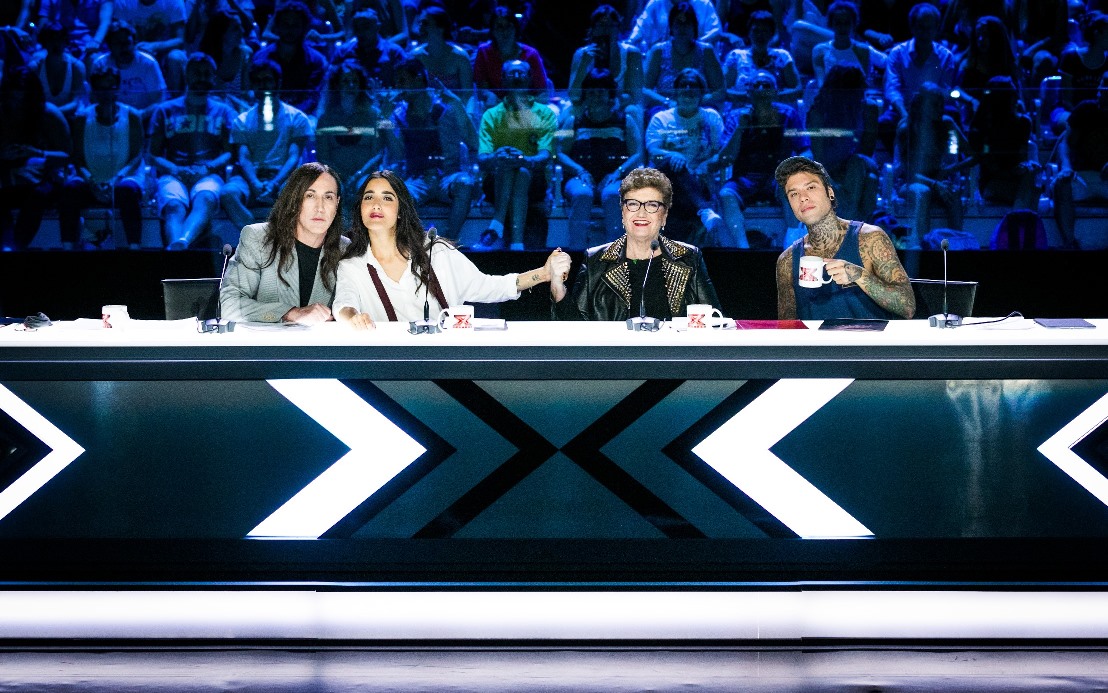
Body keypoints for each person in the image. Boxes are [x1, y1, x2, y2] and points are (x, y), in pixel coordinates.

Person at [334, 169, 571, 328]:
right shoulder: (352, 265)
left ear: (400, 211)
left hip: (443, 366)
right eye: (368, 197)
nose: (376, 204)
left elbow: (490, 286)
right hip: (389, 370)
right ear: (360, 208)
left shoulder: (435, 251)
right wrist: (353, 318)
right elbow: (343, 304)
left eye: (387, 198)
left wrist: (543, 274)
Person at [551, 167, 720, 322]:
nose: (641, 213)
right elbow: (576, 329)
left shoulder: (688, 258)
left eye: (652, 205)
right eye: (633, 204)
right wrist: (558, 290)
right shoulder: (596, 260)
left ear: (664, 215)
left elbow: (716, 321)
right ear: (623, 212)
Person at [774, 156, 915, 320]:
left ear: (830, 192)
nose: (802, 197)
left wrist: (860, 276)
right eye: (793, 194)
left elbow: (908, 307)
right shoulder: (787, 261)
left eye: (811, 187)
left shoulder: (870, 239)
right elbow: (787, 325)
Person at [220, 161, 352, 323]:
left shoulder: (345, 250)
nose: (320, 207)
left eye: (328, 197)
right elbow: (229, 305)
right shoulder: (258, 238)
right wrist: (290, 313)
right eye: (310, 196)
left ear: (337, 203)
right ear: (294, 201)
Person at [148, 52, 237, 249]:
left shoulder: (224, 111)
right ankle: (179, 247)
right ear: (186, 75)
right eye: (197, 73)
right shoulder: (165, 110)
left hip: (209, 173)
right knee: (173, 206)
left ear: (213, 77)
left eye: (207, 74)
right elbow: (152, 154)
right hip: (173, 173)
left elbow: (230, 152)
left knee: (205, 199)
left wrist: (208, 168)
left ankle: (181, 244)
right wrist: (175, 169)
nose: (201, 78)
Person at [220, 59, 314, 232]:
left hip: (285, 176)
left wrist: (275, 183)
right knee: (228, 194)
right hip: (249, 177)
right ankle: (254, 234)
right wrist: (254, 182)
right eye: (258, 81)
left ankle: (280, 239)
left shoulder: (297, 118)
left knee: (297, 194)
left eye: (268, 80)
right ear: (253, 85)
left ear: (278, 83)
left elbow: (294, 156)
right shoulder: (242, 120)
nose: (263, 85)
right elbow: (244, 157)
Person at [61, 63, 147, 250]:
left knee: (127, 190)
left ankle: (135, 248)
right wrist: (91, 181)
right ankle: (67, 248)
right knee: (70, 189)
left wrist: (117, 179)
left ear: (117, 88)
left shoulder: (132, 115)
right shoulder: (82, 118)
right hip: (91, 180)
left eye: (110, 87)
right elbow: (77, 157)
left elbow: (136, 156)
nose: (106, 93)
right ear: (94, 90)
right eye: (101, 88)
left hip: (124, 178)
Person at [392, 58, 477, 241]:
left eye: (402, 80)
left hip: (447, 176)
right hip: (417, 180)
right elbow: (396, 153)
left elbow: (474, 142)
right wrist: (384, 119)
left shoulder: (446, 107)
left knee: (465, 184)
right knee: (397, 194)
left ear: (418, 79)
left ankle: (449, 242)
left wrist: (457, 103)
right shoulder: (398, 114)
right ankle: (415, 245)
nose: (398, 86)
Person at [557, 68, 643, 248]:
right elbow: (560, 153)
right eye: (592, 92)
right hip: (580, 178)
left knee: (612, 194)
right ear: (586, 95)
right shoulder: (573, 121)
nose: (596, 97)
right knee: (582, 194)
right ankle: (577, 252)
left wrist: (618, 172)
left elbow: (637, 153)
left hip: (615, 178)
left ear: (609, 94)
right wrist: (579, 171)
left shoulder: (625, 120)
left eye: (601, 92)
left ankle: (615, 255)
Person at [476, 59, 557, 250]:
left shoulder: (545, 114)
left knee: (521, 171)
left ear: (530, 78)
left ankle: (496, 225)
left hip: (535, 182)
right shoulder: (491, 115)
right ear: (503, 79)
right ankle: (517, 244)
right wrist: (499, 157)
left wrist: (523, 160)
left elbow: (545, 155)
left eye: (522, 73)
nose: (517, 77)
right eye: (512, 73)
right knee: (513, 169)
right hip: (496, 182)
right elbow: (483, 158)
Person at [645, 67, 726, 245]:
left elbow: (719, 152)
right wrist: (674, 155)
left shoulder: (711, 117)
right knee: (672, 163)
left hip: (700, 179)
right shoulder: (661, 118)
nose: (688, 89)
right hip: (669, 184)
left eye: (693, 85)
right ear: (675, 91)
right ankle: (704, 210)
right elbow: (654, 151)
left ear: (701, 92)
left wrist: (704, 166)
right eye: (683, 85)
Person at [0, 66, 71, 251]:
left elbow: (68, 156)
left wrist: (37, 153)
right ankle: (7, 244)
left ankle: (16, 246)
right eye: (12, 98)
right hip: (13, 178)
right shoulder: (4, 114)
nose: (17, 104)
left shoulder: (49, 114)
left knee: (38, 196)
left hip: (47, 178)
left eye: (22, 99)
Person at [314, 59, 394, 194]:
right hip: (334, 177)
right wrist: (343, 177)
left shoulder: (374, 115)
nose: (351, 85)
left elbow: (377, 154)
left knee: (365, 189)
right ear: (337, 85)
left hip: (366, 176)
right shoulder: (325, 119)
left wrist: (358, 175)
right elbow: (323, 157)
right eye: (345, 81)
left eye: (355, 81)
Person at [1052, 71, 1108, 249]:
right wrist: (1066, 167)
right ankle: (1069, 243)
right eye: (1101, 85)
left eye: (1105, 87)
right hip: (1081, 177)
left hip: (1106, 180)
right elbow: (1065, 143)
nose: (1100, 90)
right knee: (1062, 184)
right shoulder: (1085, 109)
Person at [644, 1, 724, 111]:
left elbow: (720, 91)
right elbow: (644, 89)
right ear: (671, 27)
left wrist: (695, 103)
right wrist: (667, 102)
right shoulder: (658, 51)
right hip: (665, 109)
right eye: (678, 23)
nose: (683, 28)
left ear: (694, 27)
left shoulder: (706, 51)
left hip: (699, 108)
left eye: (687, 23)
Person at [252, 1, 328, 115]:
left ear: (304, 28)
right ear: (277, 26)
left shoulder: (315, 60)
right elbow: (256, 94)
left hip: (302, 117)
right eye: (285, 24)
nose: (290, 29)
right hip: (267, 113)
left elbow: (312, 98)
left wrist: (290, 116)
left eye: (295, 25)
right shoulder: (262, 58)